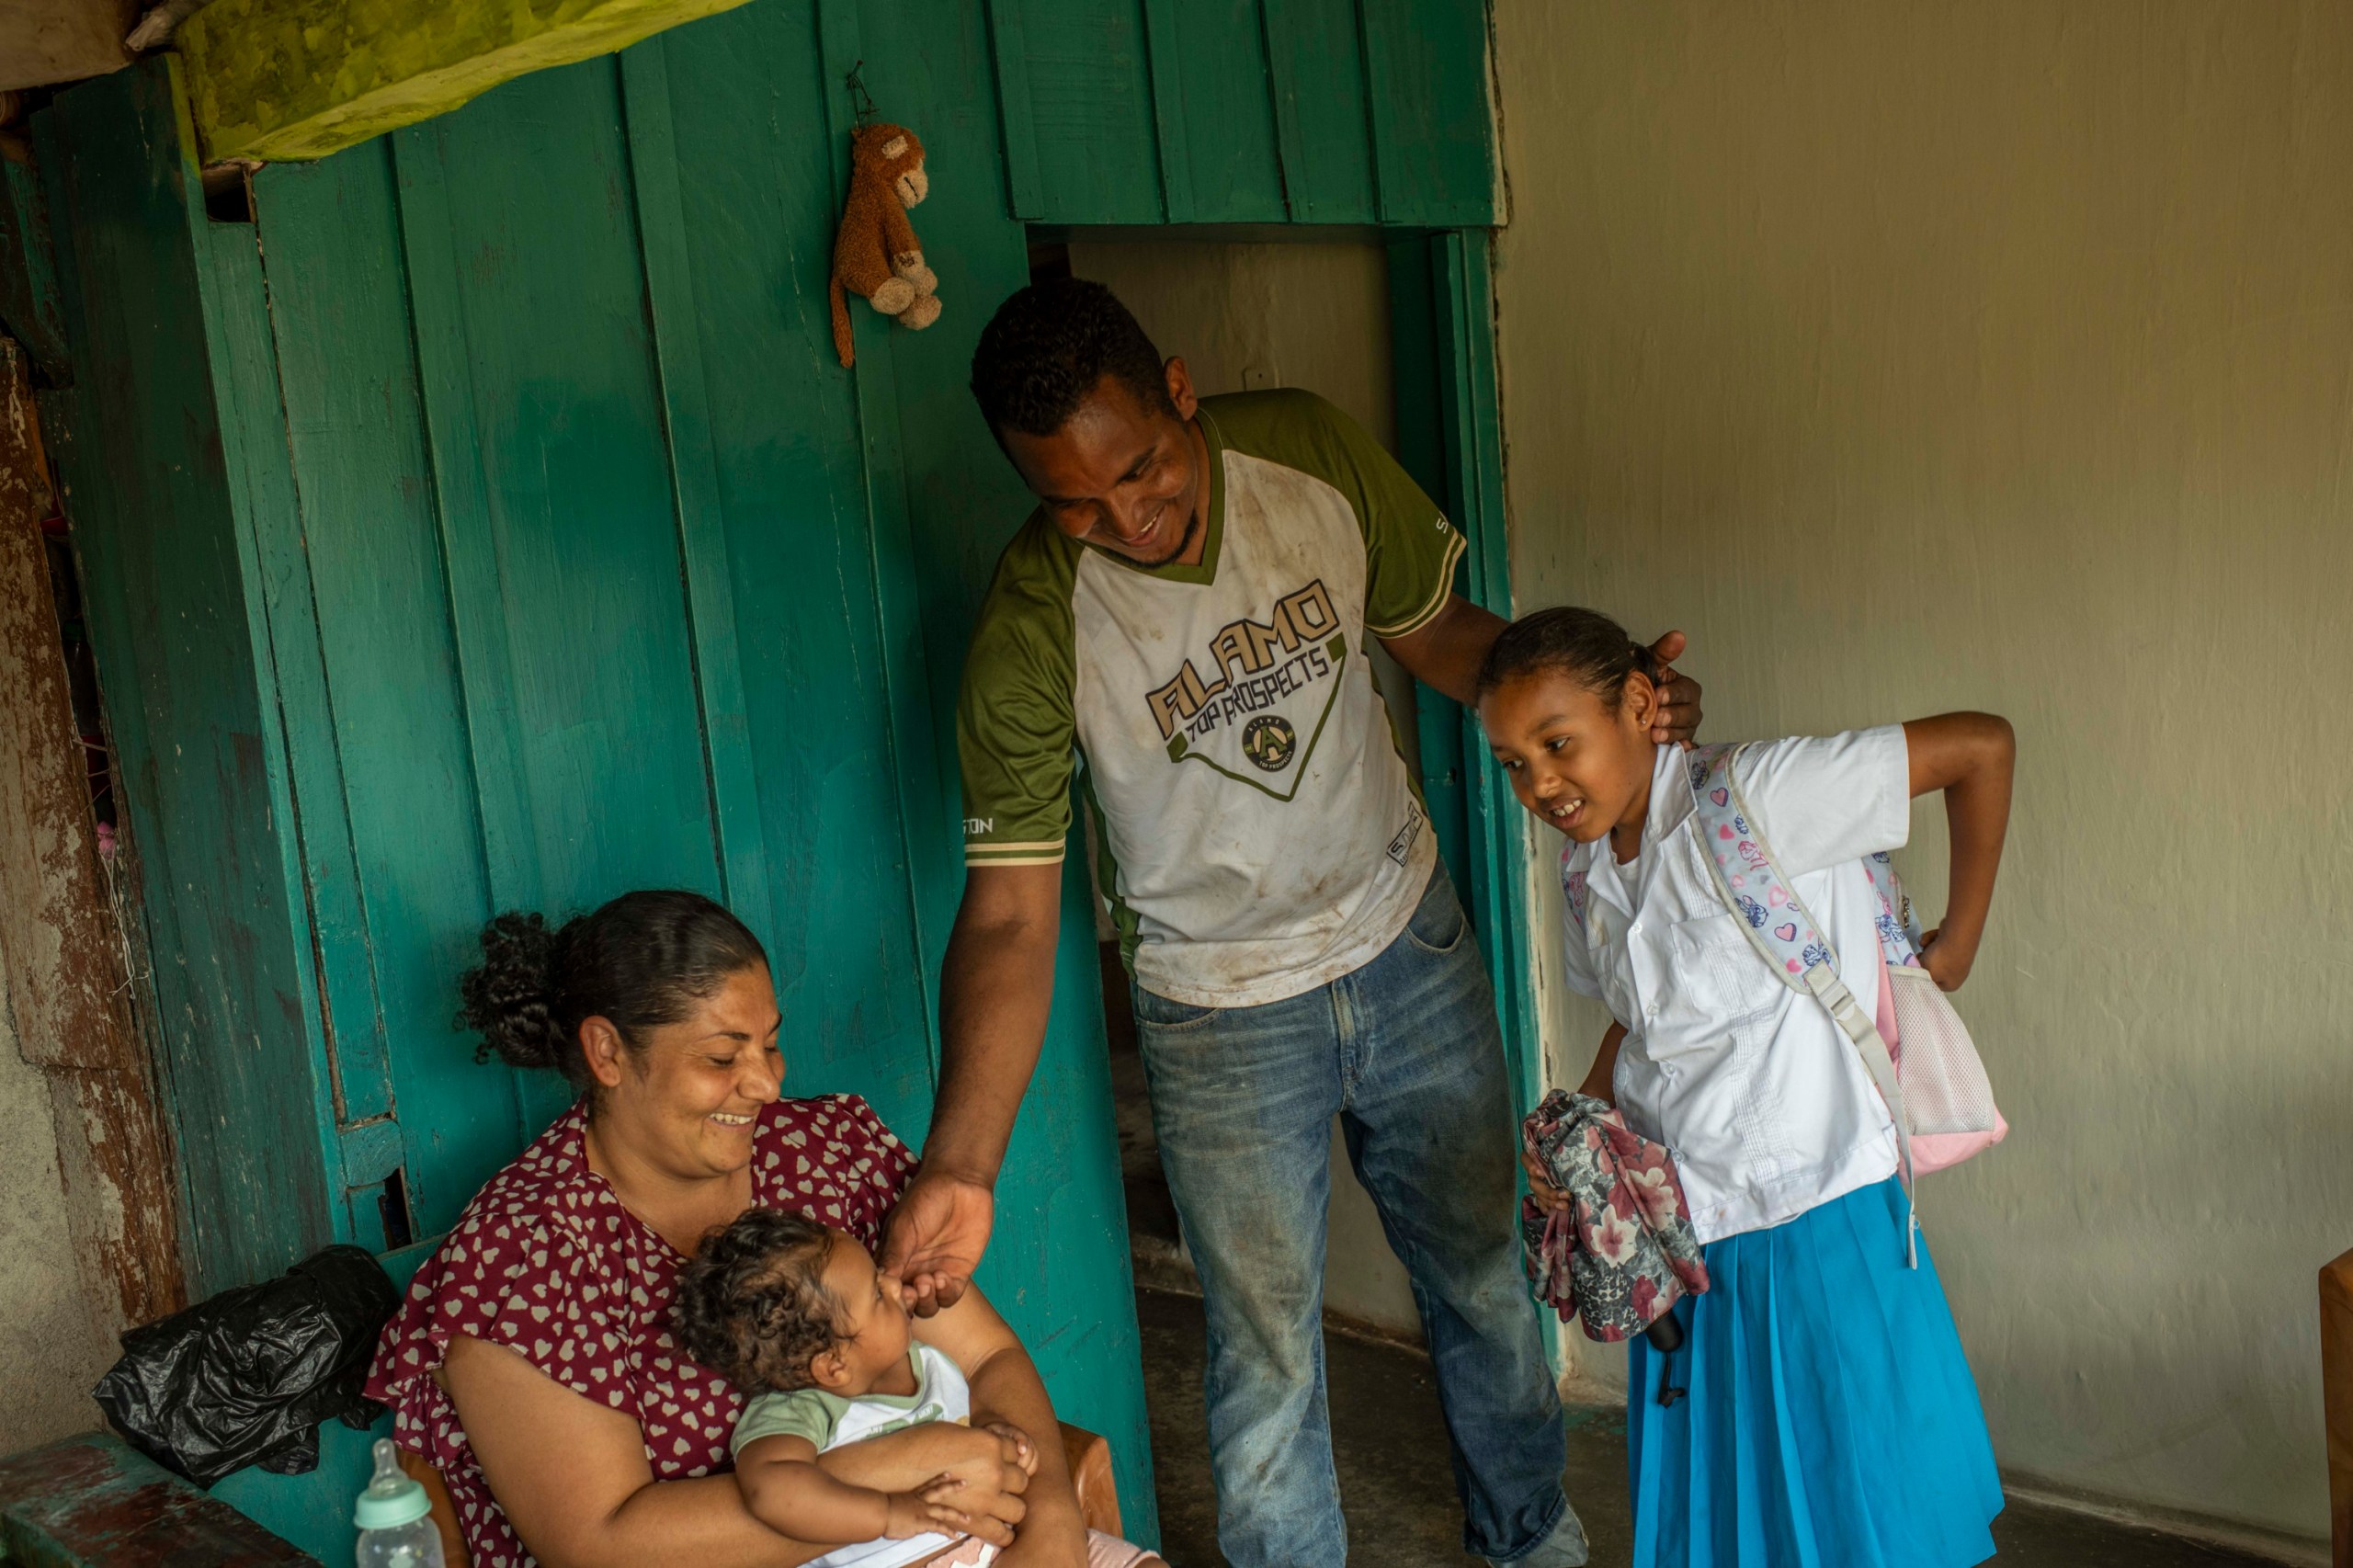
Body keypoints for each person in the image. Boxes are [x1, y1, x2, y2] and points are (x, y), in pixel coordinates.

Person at [879, 278, 1702, 1568]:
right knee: (1265, 1352)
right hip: (1216, 1007)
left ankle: (1530, 1536)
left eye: (1142, 468)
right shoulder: (1035, 625)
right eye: (1074, 501)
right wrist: (965, 1162)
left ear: (1183, 395)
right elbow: (1010, 918)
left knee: (1486, 1273)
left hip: (1401, 937)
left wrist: (1612, 716)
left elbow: (1440, 641)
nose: (1127, 517)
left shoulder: (1303, 454)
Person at [365, 890, 1149, 1568]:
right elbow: (604, 1545)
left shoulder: (821, 1154)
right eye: (722, 1056)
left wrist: (1048, 1524)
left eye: (770, 1042)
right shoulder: (525, 1255)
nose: (767, 1084)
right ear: (606, 1051)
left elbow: (985, 1354)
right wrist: (906, 1479)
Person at [1477, 607, 2013, 1567]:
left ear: (1641, 704)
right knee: (1731, 1524)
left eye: (1557, 743)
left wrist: (1958, 943)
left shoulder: (1762, 794)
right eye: (1512, 761)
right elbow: (1645, 1027)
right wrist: (1576, 1127)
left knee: (1861, 1511)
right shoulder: (1585, 871)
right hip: (1684, 1246)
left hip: (1816, 1220)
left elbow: (1980, 746)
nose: (1539, 782)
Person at [674, 1209, 1159, 1568]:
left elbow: (975, 1416)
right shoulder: (799, 1410)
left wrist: (1002, 1436)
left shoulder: (927, 1362)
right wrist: (887, 1511)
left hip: (1005, 1540)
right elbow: (772, 1489)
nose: (890, 1280)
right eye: (874, 1292)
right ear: (834, 1365)